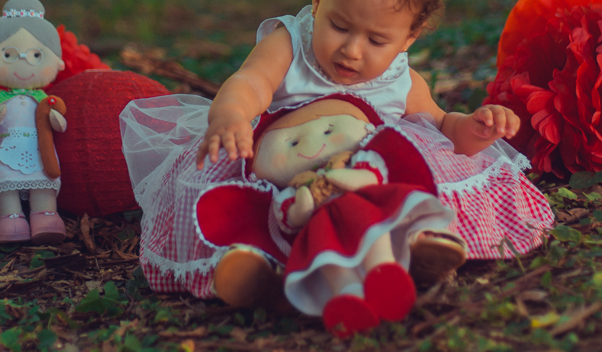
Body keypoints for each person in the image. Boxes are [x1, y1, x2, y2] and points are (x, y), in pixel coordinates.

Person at [120, 0, 554, 306]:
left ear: (410, 37)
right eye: (339, 26)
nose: (352, 49)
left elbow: (442, 127)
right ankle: (256, 270)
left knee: (424, 165)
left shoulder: (401, 80)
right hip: (284, 175)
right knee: (235, 200)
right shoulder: (290, 44)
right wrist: (231, 114)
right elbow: (250, 83)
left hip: (358, 183)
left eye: (376, 40)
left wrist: (476, 128)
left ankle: (413, 243)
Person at [194, 96, 458, 337]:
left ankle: (386, 272)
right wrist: (304, 203)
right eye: (294, 142)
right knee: (329, 258)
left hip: (361, 210)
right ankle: (346, 297)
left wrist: (343, 177)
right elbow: (289, 217)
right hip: (321, 226)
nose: (310, 145)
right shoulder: (294, 189)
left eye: (329, 130)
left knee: (375, 232)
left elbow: (372, 175)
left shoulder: (356, 159)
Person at [0, 0, 69, 245]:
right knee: (6, 185)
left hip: (38, 151)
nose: (23, 63)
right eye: (9, 54)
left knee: (42, 181)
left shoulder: (43, 99)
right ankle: (10, 220)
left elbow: (58, 124)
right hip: (6, 150)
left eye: (36, 55)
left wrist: (55, 119)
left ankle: (45, 215)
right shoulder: (0, 97)